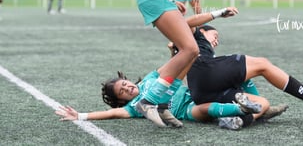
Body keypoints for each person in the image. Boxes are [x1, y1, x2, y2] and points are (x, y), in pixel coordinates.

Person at [167, 7, 303, 128]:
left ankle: (240, 120)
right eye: (215, 36)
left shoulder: (190, 49)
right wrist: (218, 13)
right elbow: (186, 23)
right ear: (201, 31)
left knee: (263, 103)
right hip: (207, 71)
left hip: (202, 93)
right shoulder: (196, 37)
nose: (217, 41)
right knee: (262, 64)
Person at [55, 68, 287, 130]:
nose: (127, 89)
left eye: (126, 84)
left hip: (194, 92)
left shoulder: (149, 79)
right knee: (203, 110)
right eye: (123, 92)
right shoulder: (135, 107)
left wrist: (174, 51)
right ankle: (252, 115)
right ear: (121, 100)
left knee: (258, 98)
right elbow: (111, 113)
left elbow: (173, 69)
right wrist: (81, 116)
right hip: (186, 110)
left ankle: (249, 116)